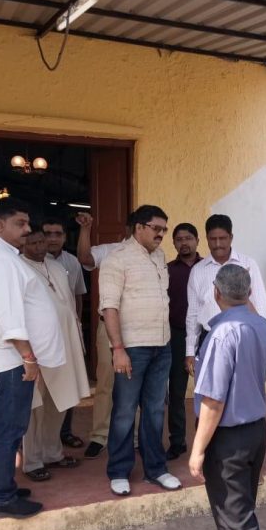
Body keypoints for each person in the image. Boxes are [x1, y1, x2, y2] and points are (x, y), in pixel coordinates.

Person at [0, 197, 65, 518]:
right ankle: (2, 496)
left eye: (27, 224)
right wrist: (29, 357)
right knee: (8, 432)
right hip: (6, 361)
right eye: (20, 224)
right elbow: (8, 315)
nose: (27, 230)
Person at [189, 264, 266, 530]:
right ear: (250, 293)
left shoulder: (223, 334)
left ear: (216, 293)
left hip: (228, 441)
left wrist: (198, 450)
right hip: (255, 433)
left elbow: (213, 400)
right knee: (237, 516)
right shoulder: (262, 327)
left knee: (237, 524)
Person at [99, 204, 180, 496]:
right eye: (157, 228)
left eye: (164, 230)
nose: (161, 235)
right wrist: (117, 348)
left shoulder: (159, 257)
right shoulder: (116, 260)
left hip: (163, 346)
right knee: (124, 411)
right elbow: (109, 307)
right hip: (132, 349)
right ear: (139, 228)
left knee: (156, 411)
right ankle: (119, 470)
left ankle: (155, 469)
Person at [20, 227, 89, 481]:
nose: (40, 246)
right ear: (23, 244)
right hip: (36, 350)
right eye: (34, 242)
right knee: (34, 408)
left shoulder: (58, 267)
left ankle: (53, 452)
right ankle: (32, 461)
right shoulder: (18, 269)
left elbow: (70, 304)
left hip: (64, 346)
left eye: (43, 241)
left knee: (60, 403)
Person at [185, 214, 266, 375]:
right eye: (213, 239)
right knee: (210, 392)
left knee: (239, 392)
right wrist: (190, 351)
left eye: (223, 238)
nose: (218, 244)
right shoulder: (198, 271)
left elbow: (262, 307)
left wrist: (263, 342)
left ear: (231, 237)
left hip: (243, 339)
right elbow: (193, 314)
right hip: (209, 339)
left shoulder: (248, 264)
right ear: (206, 238)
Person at [75, 211, 132, 460]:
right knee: (106, 383)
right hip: (108, 326)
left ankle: (136, 436)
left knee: (136, 383)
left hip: (139, 329)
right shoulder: (111, 251)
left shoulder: (155, 256)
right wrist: (86, 229)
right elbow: (85, 258)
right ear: (130, 230)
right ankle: (101, 435)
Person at [42, 218, 87, 449]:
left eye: (57, 233)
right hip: (43, 339)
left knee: (69, 384)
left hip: (68, 333)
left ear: (64, 237)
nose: (52, 238)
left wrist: (76, 324)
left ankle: (65, 432)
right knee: (45, 389)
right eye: (47, 233)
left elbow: (77, 296)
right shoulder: (32, 262)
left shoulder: (72, 262)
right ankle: (39, 440)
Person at [166, 223, 202, 460]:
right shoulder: (167, 270)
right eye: (179, 239)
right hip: (177, 335)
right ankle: (177, 441)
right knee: (177, 392)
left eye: (188, 238)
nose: (184, 243)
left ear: (197, 240)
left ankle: (205, 441)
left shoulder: (209, 267)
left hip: (205, 335)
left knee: (207, 391)